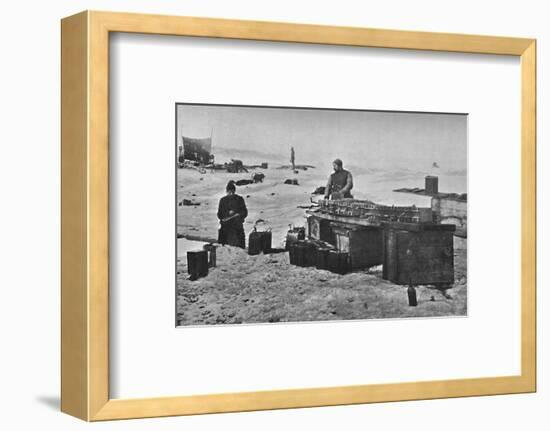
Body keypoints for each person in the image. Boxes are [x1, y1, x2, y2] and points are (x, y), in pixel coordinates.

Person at [217, 180, 248, 248]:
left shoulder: (239, 199)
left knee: (239, 248)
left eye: (232, 191)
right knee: (224, 248)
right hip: (225, 228)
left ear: (234, 191)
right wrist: (227, 214)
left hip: (237, 227)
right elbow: (219, 214)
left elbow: (244, 212)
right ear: (226, 191)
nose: (230, 193)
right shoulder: (223, 200)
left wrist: (238, 214)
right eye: (229, 191)